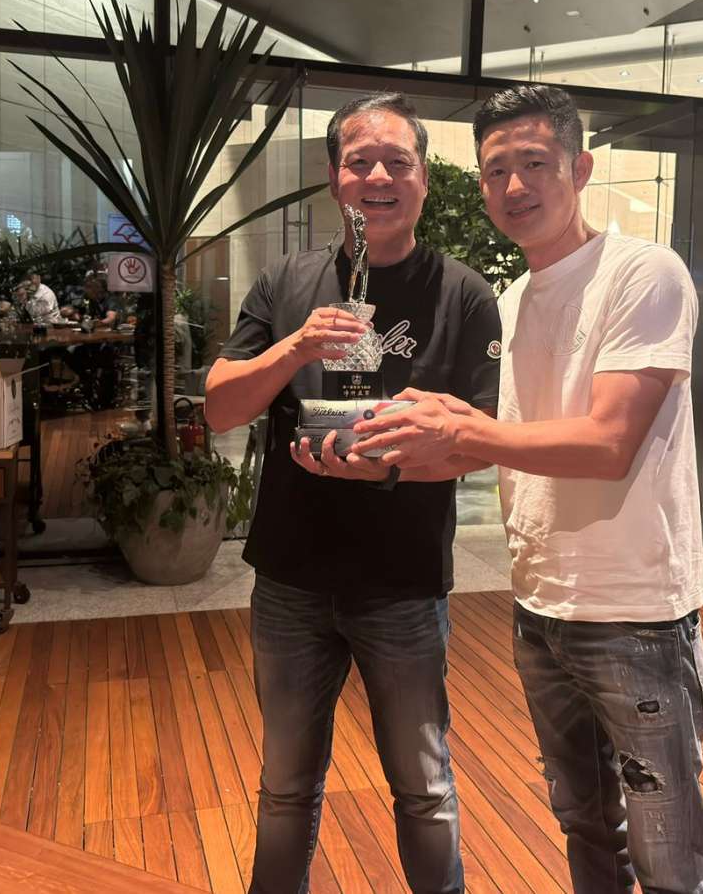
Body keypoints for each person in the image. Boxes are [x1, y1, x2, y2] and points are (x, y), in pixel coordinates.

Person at [353, 84, 703, 894]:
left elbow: (608, 443)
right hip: (541, 607)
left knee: (667, 854)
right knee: (584, 821)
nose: (514, 186)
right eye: (495, 171)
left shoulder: (643, 272)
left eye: (534, 163)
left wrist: (463, 429)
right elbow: (509, 442)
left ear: (578, 168)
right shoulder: (512, 299)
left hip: (635, 612)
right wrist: (383, 453)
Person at [204, 92, 501, 894]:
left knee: (424, 785)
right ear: (335, 178)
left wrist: (390, 467)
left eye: (396, 161)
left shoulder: (463, 294)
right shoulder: (287, 279)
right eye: (358, 161)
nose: (377, 176)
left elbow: (478, 440)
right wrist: (296, 346)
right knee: (284, 786)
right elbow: (221, 407)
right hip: (290, 577)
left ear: (423, 178)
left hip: (403, 581)